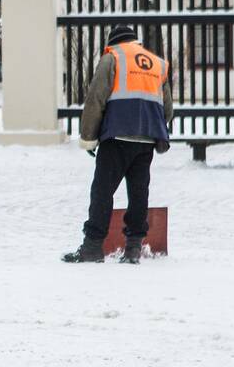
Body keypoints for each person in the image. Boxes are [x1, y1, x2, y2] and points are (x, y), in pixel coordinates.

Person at [63, 25, 173, 265]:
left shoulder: (112, 57)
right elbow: (167, 109)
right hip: (146, 140)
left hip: (116, 137)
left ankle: (92, 247)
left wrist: (89, 137)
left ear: (112, 43)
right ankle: (133, 248)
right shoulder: (157, 64)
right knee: (138, 192)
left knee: (102, 191)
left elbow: (95, 99)